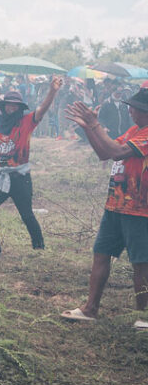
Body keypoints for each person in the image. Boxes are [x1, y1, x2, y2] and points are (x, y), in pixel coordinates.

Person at [61, 88, 148, 331]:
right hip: (116, 205)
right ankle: (91, 308)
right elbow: (104, 153)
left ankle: (144, 316)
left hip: (140, 210)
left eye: (135, 108)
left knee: (141, 264)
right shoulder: (134, 131)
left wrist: (95, 124)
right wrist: (89, 128)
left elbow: (116, 151)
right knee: (101, 253)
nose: (130, 111)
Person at [0, 77, 62, 254]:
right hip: (0, 176)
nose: (11, 108)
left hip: (20, 178)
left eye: (15, 105)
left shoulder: (27, 121)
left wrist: (52, 91)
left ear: (20, 107)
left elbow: (42, 110)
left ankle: (39, 247)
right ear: (3, 105)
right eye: (9, 104)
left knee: (26, 214)